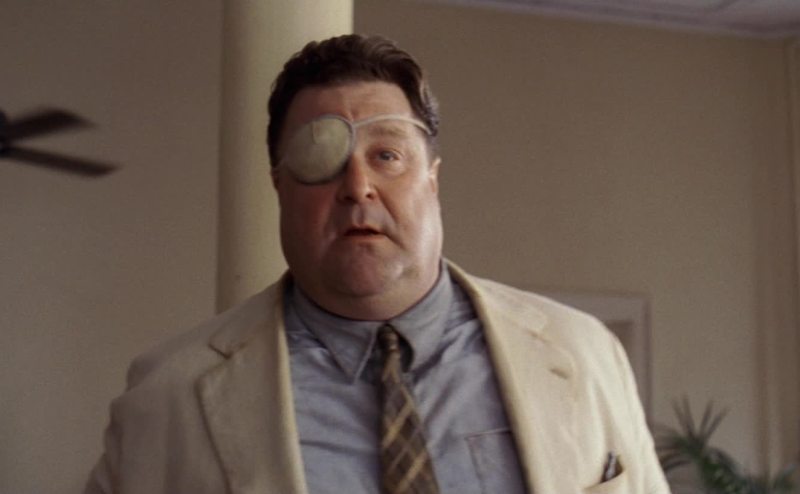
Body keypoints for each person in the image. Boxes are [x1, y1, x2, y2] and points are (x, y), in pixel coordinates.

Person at [85, 34, 670, 494]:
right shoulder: (167, 397)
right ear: (280, 186)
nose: (358, 186)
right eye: (321, 158)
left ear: (431, 180)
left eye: (387, 154)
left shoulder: (585, 352)